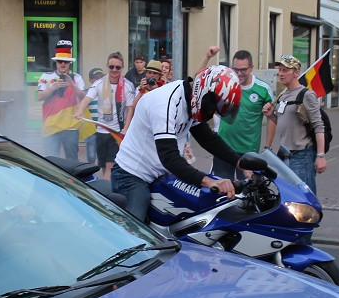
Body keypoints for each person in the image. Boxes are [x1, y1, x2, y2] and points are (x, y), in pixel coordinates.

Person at [111, 65, 247, 221]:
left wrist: (240, 163)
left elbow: (208, 139)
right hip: (132, 175)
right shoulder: (165, 103)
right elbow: (169, 156)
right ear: (203, 92)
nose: (211, 112)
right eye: (212, 107)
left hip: (161, 174)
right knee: (136, 232)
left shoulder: (191, 101)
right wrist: (209, 182)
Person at [267, 54, 327, 195]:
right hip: (285, 155)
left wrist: (320, 156)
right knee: (290, 198)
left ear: (296, 73)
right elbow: (283, 122)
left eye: (286, 70)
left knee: (305, 198)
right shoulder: (282, 94)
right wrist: (270, 115)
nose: (281, 74)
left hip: (302, 156)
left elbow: (319, 126)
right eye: (280, 70)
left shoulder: (306, 95)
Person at [212, 49, 275, 180]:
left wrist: (268, 147)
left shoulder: (262, 89)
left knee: (249, 193)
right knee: (222, 192)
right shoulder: (226, 85)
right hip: (224, 148)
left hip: (248, 151)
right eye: (235, 69)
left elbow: (272, 118)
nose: (239, 73)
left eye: (243, 70)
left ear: (252, 68)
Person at [76, 53, 135, 180]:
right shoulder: (99, 83)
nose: (114, 70)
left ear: (122, 67)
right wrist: (80, 110)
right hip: (101, 130)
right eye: (112, 67)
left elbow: (130, 109)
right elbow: (87, 98)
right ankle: (107, 187)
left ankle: (107, 193)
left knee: (110, 166)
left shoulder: (128, 86)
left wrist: (125, 128)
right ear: (107, 66)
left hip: (116, 132)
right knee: (103, 165)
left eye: (117, 67)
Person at [37, 39, 88, 160]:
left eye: (66, 61)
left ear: (70, 63)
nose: (63, 64)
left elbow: (83, 98)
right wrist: (53, 88)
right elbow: (39, 96)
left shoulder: (77, 78)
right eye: (60, 61)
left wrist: (72, 85)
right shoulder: (46, 77)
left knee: (72, 161)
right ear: (56, 62)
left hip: (70, 126)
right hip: (51, 125)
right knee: (51, 161)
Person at [123, 58, 165, 127]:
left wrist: (156, 89)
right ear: (146, 74)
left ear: (159, 76)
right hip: (143, 122)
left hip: (158, 123)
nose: (151, 75)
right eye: (149, 72)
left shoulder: (164, 88)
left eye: (155, 73)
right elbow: (134, 106)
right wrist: (141, 90)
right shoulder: (141, 87)